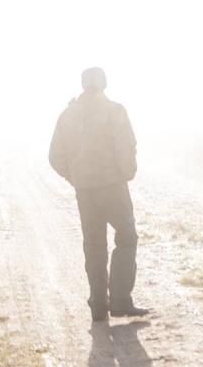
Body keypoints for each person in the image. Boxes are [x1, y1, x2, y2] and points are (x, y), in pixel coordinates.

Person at [49, 67, 149, 321]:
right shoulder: (114, 111)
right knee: (126, 237)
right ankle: (120, 300)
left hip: (84, 191)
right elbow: (126, 147)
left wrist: (75, 177)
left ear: (83, 85)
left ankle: (98, 305)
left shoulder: (66, 115)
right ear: (103, 83)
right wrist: (127, 173)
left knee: (94, 245)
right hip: (113, 186)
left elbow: (55, 157)